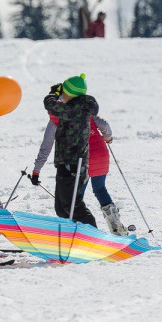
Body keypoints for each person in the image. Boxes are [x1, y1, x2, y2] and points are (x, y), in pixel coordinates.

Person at [31, 112, 126, 235]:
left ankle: (80, 231)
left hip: (81, 160)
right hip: (100, 155)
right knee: (100, 189)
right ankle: (116, 227)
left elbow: (46, 148)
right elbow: (104, 125)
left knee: (75, 199)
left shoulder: (56, 119)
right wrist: (108, 137)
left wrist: (36, 170)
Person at [42, 74, 99, 227]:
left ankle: (93, 235)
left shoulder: (75, 108)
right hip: (66, 162)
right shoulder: (76, 106)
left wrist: (53, 94)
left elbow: (51, 106)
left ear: (71, 94)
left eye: (64, 93)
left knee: (73, 206)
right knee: (62, 208)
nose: (62, 96)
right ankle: (75, 233)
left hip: (72, 163)